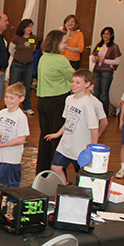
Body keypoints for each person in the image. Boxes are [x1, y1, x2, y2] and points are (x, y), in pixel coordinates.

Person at [44, 69, 99, 184]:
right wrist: (58, 134)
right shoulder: (69, 99)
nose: (74, 85)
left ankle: (81, 194)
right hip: (66, 143)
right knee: (55, 167)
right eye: (73, 81)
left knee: (82, 175)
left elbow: (94, 128)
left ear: (87, 84)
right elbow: (68, 120)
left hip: (80, 146)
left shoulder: (87, 104)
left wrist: (93, 148)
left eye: (78, 82)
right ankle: (65, 188)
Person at [35, 29, 75, 173]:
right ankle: (58, 172)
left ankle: (43, 171)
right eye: (64, 42)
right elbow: (74, 79)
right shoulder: (61, 60)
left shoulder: (43, 57)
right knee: (57, 137)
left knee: (45, 137)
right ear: (56, 43)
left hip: (42, 100)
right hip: (57, 101)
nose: (65, 45)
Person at [0, 82, 30, 188]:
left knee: (6, 187)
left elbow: (21, 139)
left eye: (12, 98)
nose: (8, 100)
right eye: (7, 97)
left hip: (12, 159)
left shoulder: (20, 117)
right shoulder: (2, 113)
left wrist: (4, 145)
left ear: (21, 99)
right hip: (1, 156)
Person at [8, 18, 38, 115]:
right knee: (13, 85)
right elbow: (11, 50)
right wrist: (17, 57)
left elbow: (33, 49)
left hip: (28, 65)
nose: (30, 29)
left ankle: (27, 107)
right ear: (23, 28)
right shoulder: (17, 38)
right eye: (28, 27)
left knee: (27, 86)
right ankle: (10, 105)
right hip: (17, 64)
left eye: (31, 27)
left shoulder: (34, 38)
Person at [91, 26, 122, 116]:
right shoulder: (99, 45)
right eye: (104, 33)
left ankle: (104, 113)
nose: (105, 35)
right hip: (97, 70)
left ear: (111, 35)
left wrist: (105, 60)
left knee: (104, 94)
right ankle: (95, 112)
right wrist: (95, 59)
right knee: (96, 92)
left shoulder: (114, 47)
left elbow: (117, 61)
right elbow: (94, 57)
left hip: (106, 71)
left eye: (107, 34)